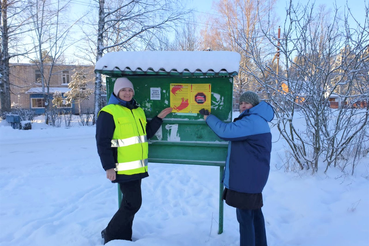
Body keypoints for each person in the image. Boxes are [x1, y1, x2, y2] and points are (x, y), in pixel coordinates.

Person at [96, 77, 172, 244]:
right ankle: (110, 233)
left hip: (137, 167)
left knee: (130, 203)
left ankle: (123, 237)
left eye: (130, 90)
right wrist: (108, 167)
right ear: (116, 92)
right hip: (122, 167)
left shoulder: (138, 111)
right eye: (124, 90)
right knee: (133, 204)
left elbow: (145, 134)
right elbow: (102, 141)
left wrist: (159, 118)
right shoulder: (109, 112)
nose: (127, 93)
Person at [199, 91, 274, 246]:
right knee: (255, 214)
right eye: (241, 103)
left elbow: (225, 131)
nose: (243, 106)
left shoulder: (252, 121)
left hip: (247, 178)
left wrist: (209, 118)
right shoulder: (257, 119)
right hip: (253, 176)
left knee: (245, 217)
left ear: (255, 105)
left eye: (247, 103)